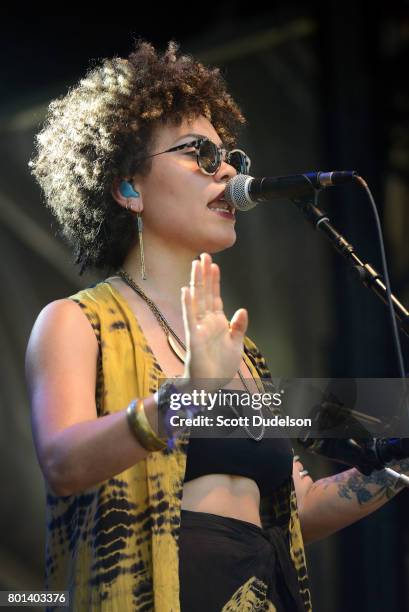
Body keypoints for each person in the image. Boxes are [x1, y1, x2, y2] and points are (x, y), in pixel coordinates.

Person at [25, 40, 409, 612]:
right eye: (200, 153)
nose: (227, 168)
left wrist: (400, 461)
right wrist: (186, 397)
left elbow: (298, 504)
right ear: (129, 188)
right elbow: (62, 463)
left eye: (230, 156)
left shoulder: (242, 352)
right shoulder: (75, 323)